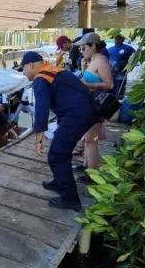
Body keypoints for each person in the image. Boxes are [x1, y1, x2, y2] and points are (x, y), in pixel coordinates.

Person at [18, 51, 99, 211]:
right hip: (85, 111)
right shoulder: (55, 70)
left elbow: (42, 109)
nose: (23, 72)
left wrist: (39, 138)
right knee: (61, 147)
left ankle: (70, 199)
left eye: (23, 68)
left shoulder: (40, 78)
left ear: (31, 65)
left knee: (57, 154)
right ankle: (59, 182)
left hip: (76, 115)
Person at [73, 33, 113, 182]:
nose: (82, 51)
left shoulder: (101, 60)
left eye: (84, 48)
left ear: (93, 46)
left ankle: (93, 174)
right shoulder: (92, 60)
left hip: (97, 106)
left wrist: (87, 84)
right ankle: (86, 165)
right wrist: (84, 69)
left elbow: (109, 84)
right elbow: (89, 78)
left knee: (91, 140)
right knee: (88, 138)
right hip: (90, 104)